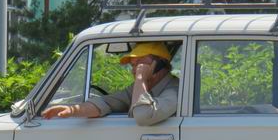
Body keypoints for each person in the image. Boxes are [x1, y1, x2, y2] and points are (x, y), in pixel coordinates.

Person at [41, 42, 179, 126]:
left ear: (160, 64)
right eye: (133, 65)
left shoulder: (175, 90)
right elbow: (106, 103)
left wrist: (141, 78)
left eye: (140, 63)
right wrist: (72, 111)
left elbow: (143, 115)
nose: (134, 70)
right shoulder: (138, 88)